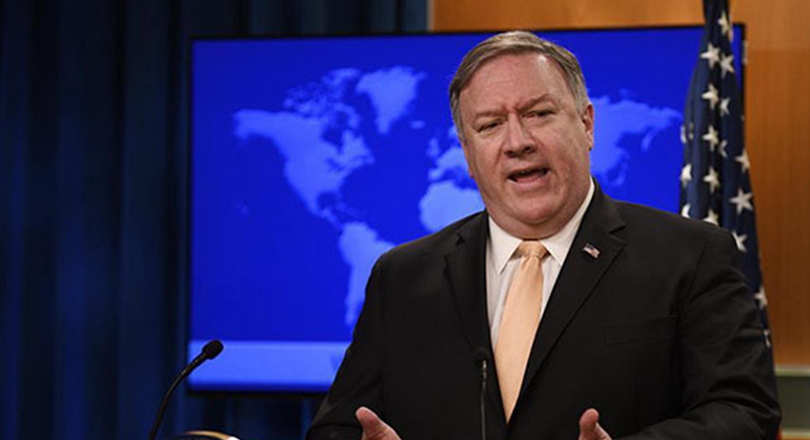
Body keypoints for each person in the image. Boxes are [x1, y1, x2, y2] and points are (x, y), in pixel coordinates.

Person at [306, 31, 780, 440]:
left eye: (538, 114)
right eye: (490, 125)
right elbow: (338, 426)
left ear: (587, 124)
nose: (518, 142)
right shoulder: (403, 276)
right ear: (468, 154)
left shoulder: (689, 255)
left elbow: (745, 411)